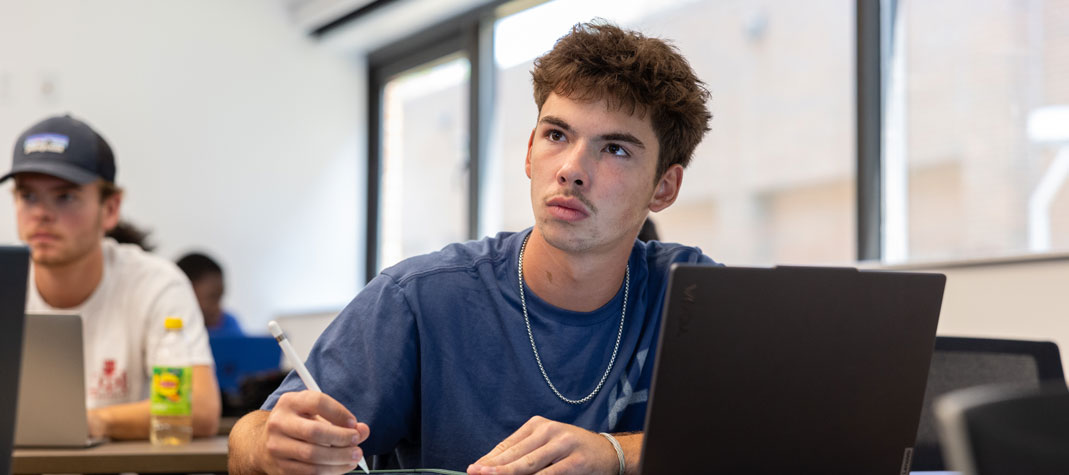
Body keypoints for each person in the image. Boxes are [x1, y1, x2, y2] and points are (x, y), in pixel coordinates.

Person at [228, 21, 713, 475]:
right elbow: (247, 441)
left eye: (615, 149)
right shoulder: (419, 297)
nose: (571, 168)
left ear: (664, 188)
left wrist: (614, 452)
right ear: (529, 151)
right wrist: (271, 445)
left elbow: (776, 434)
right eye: (556, 135)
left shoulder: (692, 291)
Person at [2, 114, 221, 440]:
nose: (41, 213)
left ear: (111, 208)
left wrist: (91, 423)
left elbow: (201, 409)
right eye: (27, 196)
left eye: (65, 197)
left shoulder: (156, 284)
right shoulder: (6, 283)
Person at [176, 252, 245, 338]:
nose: (218, 308)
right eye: (212, 297)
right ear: (185, 294)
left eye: (220, 297)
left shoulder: (228, 325)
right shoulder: (169, 331)